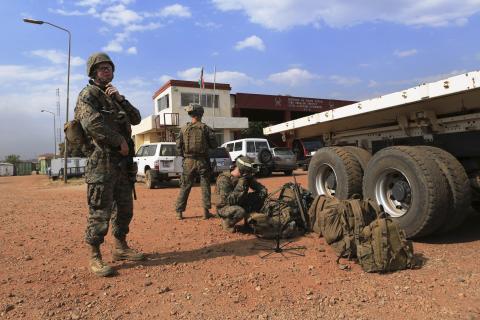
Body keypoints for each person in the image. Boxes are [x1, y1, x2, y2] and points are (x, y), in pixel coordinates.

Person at [74, 52, 144, 277]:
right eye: (102, 68)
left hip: (122, 164)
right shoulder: (88, 94)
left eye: (109, 68)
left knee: (125, 209)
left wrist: (121, 99)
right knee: (100, 212)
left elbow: (136, 119)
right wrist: (120, 141)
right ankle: (95, 256)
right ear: (93, 72)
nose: (107, 71)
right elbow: (93, 124)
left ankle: (120, 247)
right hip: (102, 162)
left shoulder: (114, 96)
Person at [175, 103, 218, 220]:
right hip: (203, 161)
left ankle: (179, 212)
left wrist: (184, 156)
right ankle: (205, 212)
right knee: (205, 186)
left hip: (188, 161)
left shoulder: (183, 129)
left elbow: (178, 146)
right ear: (201, 114)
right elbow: (214, 145)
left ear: (191, 114)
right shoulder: (205, 128)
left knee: (185, 186)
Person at [213, 156, 268, 232]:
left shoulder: (246, 177)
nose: (250, 174)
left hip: (240, 201)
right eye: (249, 172)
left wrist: (261, 193)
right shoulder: (224, 179)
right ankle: (227, 223)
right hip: (224, 207)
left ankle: (249, 222)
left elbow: (262, 190)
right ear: (243, 171)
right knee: (240, 211)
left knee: (259, 198)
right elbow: (230, 201)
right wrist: (241, 183)